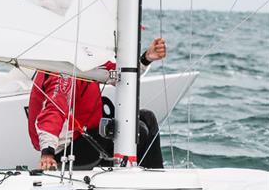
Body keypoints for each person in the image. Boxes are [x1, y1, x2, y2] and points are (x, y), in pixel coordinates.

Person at [28, 37, 167, 170]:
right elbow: (53, 112)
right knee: (136, 130)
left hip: (87, 138)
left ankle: (154, 176)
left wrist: (146, 58)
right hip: (67, 151)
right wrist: (47, 153)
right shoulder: (64, 68)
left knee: (147, 117)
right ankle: (136, 179)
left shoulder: (85, 59)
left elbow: (120, 75)